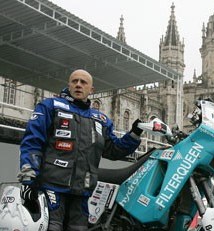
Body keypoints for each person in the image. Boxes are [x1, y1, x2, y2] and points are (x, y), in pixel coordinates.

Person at [17, 69, 144, 230]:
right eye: (74, 81)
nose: (78, 85)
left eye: (83, 82)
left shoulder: (100, 119)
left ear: (91, 90)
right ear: (69, 85)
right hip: (51, 187)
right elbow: (32, 142)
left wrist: (134, 133)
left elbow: (113, 150)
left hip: (82, 192)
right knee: (52, 227)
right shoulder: (50, 106)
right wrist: (28, 177)